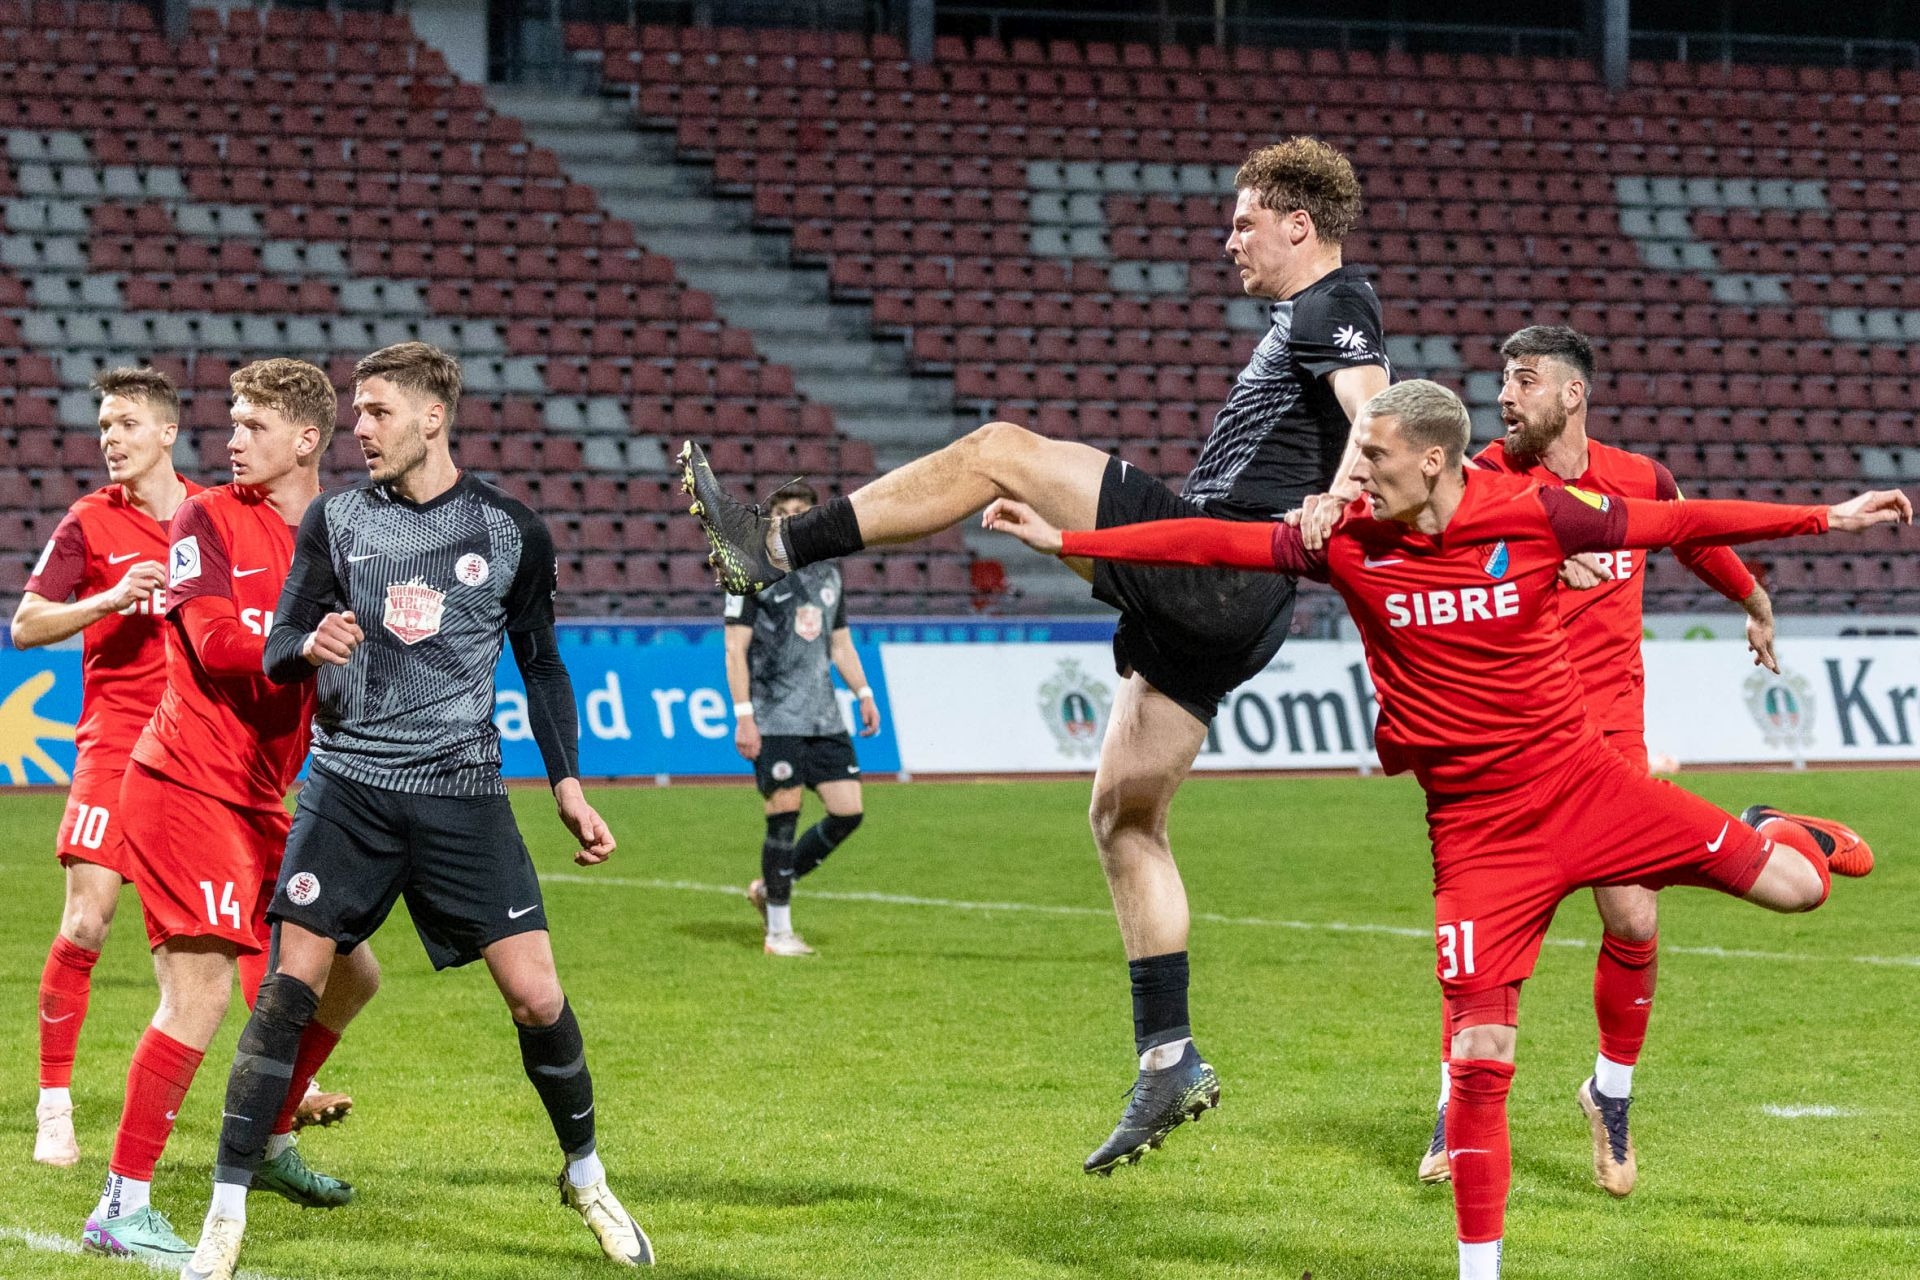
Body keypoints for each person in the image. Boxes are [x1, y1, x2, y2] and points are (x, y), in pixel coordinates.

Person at [981, 378, 1904, 1280]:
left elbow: (1680, 522)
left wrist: (1828, 518)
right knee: (1479, 1059)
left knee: (1802, 889)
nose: (1355, 474)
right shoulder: (1347, 540)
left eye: (1371, 456)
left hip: (1591, 790)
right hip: (1478, 839)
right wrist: (1067, 540)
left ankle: (1768, 825)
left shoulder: (1536, 514)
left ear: (1432, 460)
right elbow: (1210, 540)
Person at [685, 136, 1391, 1172]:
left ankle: (773, 547)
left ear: (1299, 224)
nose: (1229, 239)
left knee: (997, 449)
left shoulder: (1335, 302)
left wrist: (1344, 489)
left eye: (1245, 222)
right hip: (1232, 600)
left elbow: (1378, 406)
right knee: (1123, 818)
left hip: (1218, 560)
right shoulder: (1303, 318)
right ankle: (1168, 1056)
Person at [179, 342, 650, 1280]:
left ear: (434, 417)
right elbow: (277, 645)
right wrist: (308, 643)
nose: (359, 428)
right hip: (348, 788)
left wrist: (567, 784)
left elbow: (542, 664)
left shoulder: (510, 530)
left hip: (463, 795)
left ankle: (587, 1177)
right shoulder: (337, 519)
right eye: (356, 411)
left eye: (378, 411)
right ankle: (225, 1212)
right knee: (289, 985)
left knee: (536, 996)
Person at [1417, 325, 1779, 1195]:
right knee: (1490, 936)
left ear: (1571, 393)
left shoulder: (1638, 479)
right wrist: (1536, 560)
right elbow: (1438, 566)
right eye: (1503, 380)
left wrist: (1754, 597)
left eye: (1523, 380)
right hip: (1512, 737)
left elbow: (1690, 534)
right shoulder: (1485, 478)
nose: (1504, 397)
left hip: (1609, 739)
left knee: (1634, 919)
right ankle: (1455, 1103)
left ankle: (1609, 1094)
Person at [82, 360, 379, 1265]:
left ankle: (271, 1141)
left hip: (261, 800)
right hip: (183, 784)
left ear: (306, 439)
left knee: (349, 975)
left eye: (254, 426)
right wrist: (306, 642)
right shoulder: (205, 517)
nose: (233, 440)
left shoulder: (343, 535)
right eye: (233, 422)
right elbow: (213, 642)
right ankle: (120, 1205)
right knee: (202, 993)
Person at [15, 368, 197, 1169]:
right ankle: (54, 1106)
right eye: (103, 426)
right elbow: (26, 626)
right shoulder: (89, 521)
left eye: (125, 424)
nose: (110, 439)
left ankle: (274, 1102)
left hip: (194, 752)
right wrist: (110, 598)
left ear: (167, 432)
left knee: (198, 942)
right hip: (116, 742)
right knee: (88, 919)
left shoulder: (210, 518)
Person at [724, 481, 881, 957]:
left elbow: (840, 643)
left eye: (801, 510)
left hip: (823, 717)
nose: (792, 517)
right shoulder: (751, 571)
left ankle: (769, 888)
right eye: (784, 510)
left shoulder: (829, 572)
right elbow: (735, 648)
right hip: (775, 716)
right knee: (784, 816)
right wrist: (744, 716)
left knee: (848, 811)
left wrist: (863, 692)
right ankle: (778, 933)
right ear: (772, 518)